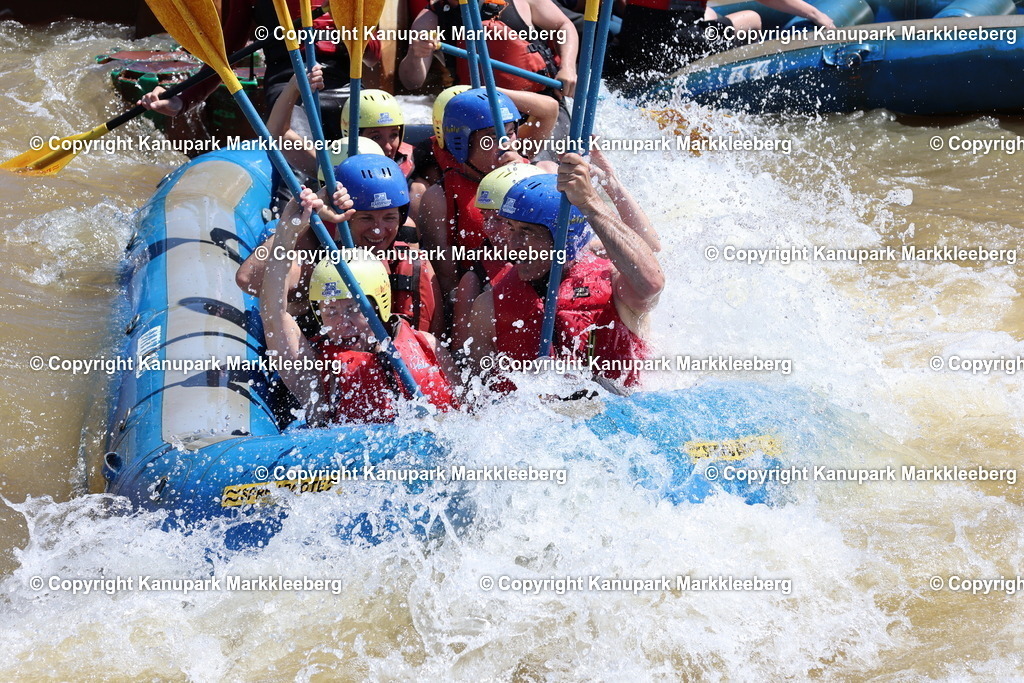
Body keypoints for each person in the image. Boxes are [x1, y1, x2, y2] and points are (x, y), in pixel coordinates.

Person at [460, 156, 664, 391]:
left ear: (564, 236)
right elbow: (480, 397)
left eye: (526, 232)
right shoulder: (488, 308)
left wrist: (589, 201)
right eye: (510, 229)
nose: (512, 245)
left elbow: (652, 282)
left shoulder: (615, 285)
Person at [260, 229, 460, 424]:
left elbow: (466, 414)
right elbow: (274, 314)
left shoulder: (427, 343)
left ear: (380, 306)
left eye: (354, 309)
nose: (343, 322)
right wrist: (289, 229)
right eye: (331, 312)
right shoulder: (313, 368)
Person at [237, 155, 445, 337]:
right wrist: (302, 220)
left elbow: (432, 342)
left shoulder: (415, 265)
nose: (378, 230)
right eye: (366, 218)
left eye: (389, 218)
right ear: (345, 218)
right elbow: (249, 279)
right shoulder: (322, 267)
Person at [419, 88, 537, 302]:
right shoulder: (439, 198)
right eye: (492, 137)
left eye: (510, 132)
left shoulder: (542, 175)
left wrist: (524, 181)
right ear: (462, 142)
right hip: (481, 296)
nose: (506, 145)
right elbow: (449, 284)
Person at [604, 0, 834, 88]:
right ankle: (741, 81)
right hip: (673, 48)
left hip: (635, 46)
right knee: (751, 18)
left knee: (710, 14)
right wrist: (813, 12)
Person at [398, 0, 579, 99]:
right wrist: (415, 55)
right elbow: (412, 82)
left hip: (540, 102)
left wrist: (568, 68)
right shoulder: (431, 17)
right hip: (482, 108)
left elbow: (564, 26)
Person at [269, 70, 414, 179]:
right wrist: (293, 87)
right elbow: (278, 134)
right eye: (376, 137)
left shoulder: (413, 163)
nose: (388, 146)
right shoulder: (333, 168)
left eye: (394, 135)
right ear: (354, 137)